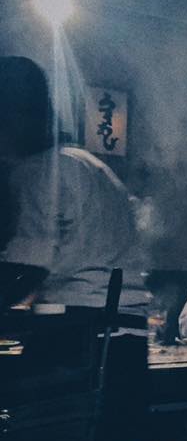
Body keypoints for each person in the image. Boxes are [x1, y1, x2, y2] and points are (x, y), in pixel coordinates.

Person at [0, 56, 149, 312]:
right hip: (128, 323)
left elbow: (27, 267)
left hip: (80, 323)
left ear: (15, 117)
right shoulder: (91, 165)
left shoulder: (39, 171)